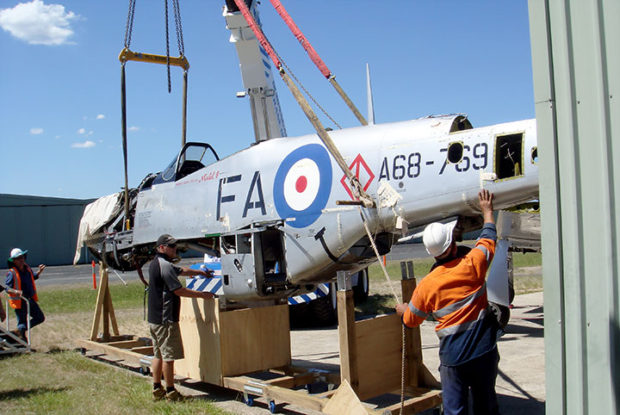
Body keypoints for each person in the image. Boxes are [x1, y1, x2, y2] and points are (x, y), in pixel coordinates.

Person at [396, 189, 501, 415]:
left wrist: (403, 310)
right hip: (483, 352)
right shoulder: (472, 264)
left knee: (455, 410)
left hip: (454, 360)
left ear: (432, 253)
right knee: (486, 406)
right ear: (452, 243)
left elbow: (410, 321)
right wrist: (487, 211)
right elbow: (489, 237)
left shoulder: (427, 286)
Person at [148, 234, 215, 401]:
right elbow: (179, 291)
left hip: (154, 319)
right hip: (166, 319)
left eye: (175, 247)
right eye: (171, 247)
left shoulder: (156, 263)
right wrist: (203, 295)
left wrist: (200, 272)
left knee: (158, 354)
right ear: (161, 247)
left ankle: (157, 388)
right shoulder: (166, 266)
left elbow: (181, 271)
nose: (174, 249)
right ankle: (171, 391)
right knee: (169, 357)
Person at [5, 248, 46, 342]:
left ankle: (18, 332)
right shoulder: (12, 273)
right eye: (19, 258)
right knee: (22, 322)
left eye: (22, 257)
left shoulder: (27, 269)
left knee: (40, 317)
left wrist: (39, 272)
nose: (21, 259)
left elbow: (32, 277)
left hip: (29, 300)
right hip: (20, 302)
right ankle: (22, 342)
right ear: (14, 261)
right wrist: (17, 292)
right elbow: (7, 288)